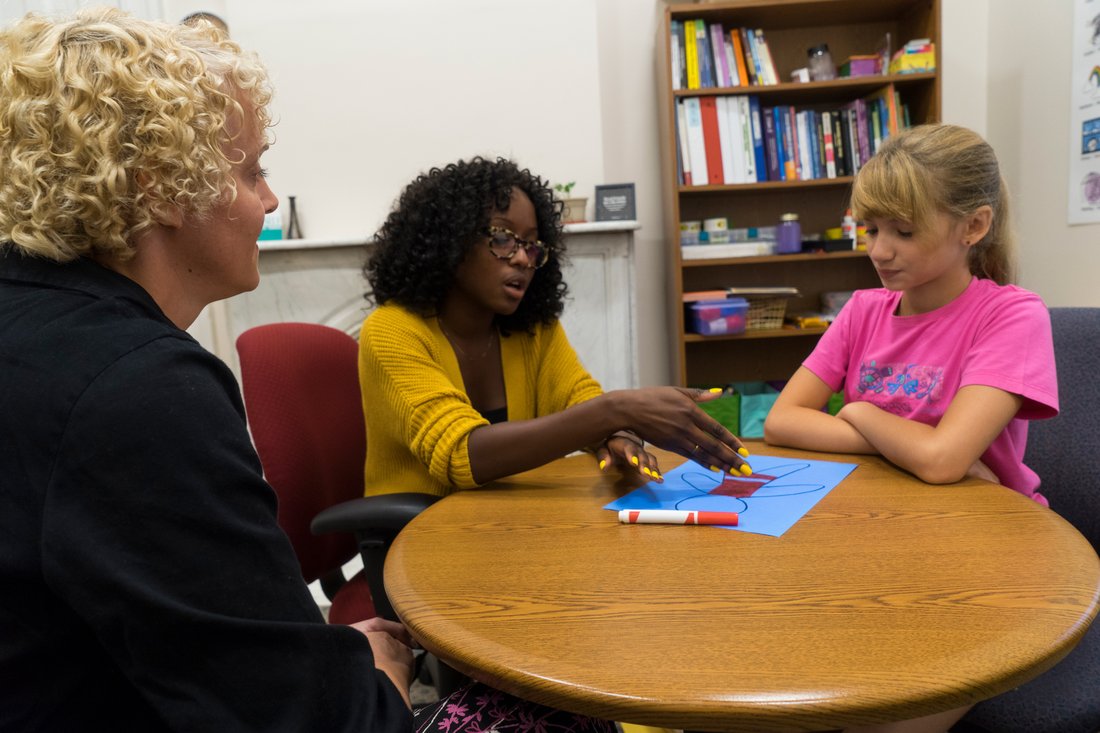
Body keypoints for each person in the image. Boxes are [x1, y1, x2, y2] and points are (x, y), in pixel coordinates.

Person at [0, 10, 612, 733]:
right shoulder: (141, 390)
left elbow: (205, 638)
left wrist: (321, 653)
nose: (267, 199)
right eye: (252, 168)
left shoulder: (36, 330)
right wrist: (377, 677)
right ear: (161, 187)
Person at [763, 124, 1058, 732]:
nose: (879, 250)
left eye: (903, 231)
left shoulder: (1011, 315)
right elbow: (782, 421)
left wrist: (859, 411)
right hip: (879, 544)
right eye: (870, 229)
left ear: (973, 227)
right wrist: (909, 444)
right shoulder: (863, 310)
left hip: (988, 559)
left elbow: (945, 462)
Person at [360, 157, 751, 497]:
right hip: (415, 542)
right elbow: (460, 454)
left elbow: (578, 400)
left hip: (499, 529)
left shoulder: (530, 329)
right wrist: (618, 410)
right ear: (447, 240)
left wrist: (619, 437)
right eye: (502, 238)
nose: (522, 259)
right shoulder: (392, 330)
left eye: (532, 245)